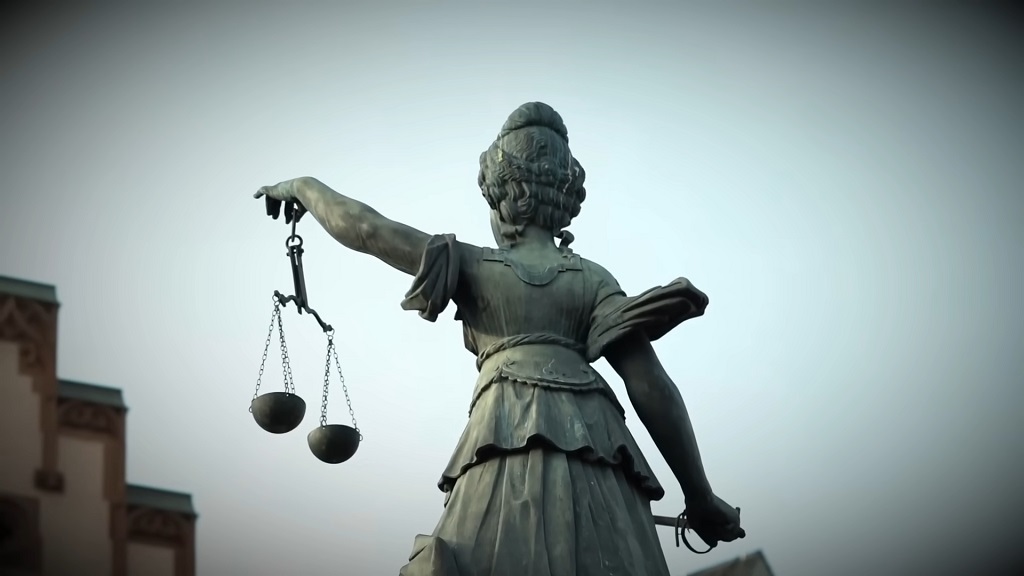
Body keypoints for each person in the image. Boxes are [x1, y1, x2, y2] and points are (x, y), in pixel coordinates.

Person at [254, 102, 745, 575]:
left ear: (501, 192)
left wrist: (302, 187)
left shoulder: (475, 266)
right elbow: (652, 387)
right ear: (561, 195)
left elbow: (366, 229)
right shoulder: (593, 279)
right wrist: (699, 496)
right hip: (599, 449)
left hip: (504, 436)